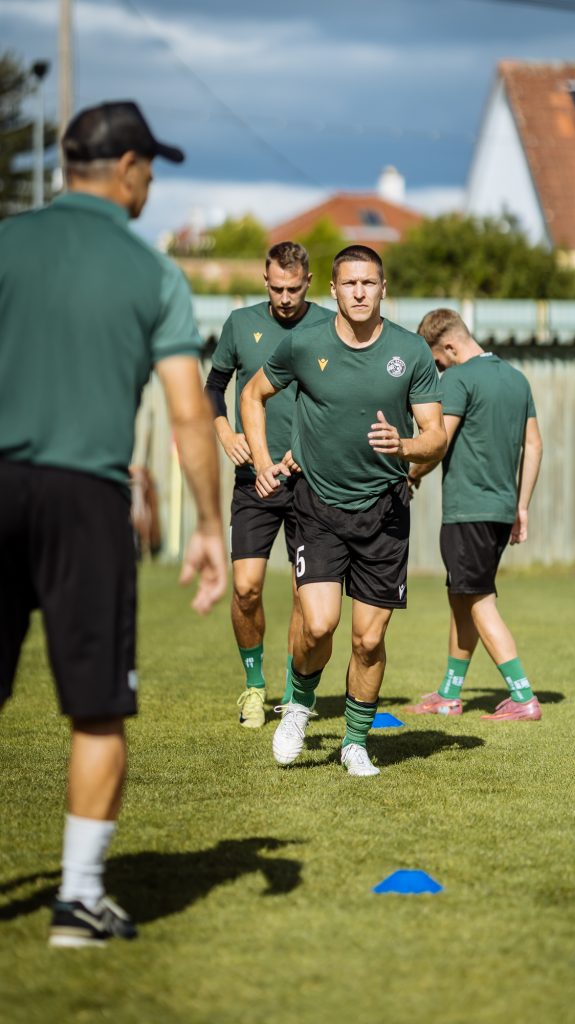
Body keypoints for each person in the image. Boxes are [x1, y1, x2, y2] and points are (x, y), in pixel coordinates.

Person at [0, 101, 227, 947]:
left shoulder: (5, 242)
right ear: (127, 167)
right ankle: (79, 900)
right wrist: (208, 523)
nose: (152, 184)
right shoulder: (152, 273)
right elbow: (189, 414)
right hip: (87, 499)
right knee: (97, 709)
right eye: (151, 169)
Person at [241, 245, 446, 776]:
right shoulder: (304, 343)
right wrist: (261, 460)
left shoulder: (410, 352)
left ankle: (355, 742)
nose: (359, 292)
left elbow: (437, 435)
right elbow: (252, 395)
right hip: (318, 505)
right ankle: (298, 708)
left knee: (369, 640)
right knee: (318, 625)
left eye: (369, 283)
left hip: (385, 511)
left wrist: (404, 446)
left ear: (383, 289)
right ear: (332, 289)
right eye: (349, 283)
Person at [205, 242, 333, 729]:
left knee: (305, 595)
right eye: (276, 288)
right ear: (265, 281)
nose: (284, 298)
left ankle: (293, 696)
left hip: (310, 480)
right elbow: (214, 387)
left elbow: (340, 399)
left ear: (309, 282)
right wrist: (225, 433)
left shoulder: (330, 325)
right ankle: (254, 687)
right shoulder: (240, 323)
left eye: (293, 289)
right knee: (245, 588)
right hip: (252, 480)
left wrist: (310, 446)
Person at [405, 309, 543, 722]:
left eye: (437, 360)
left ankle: (522, 696)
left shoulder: (458, 379)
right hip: (499, 511)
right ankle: (449, 694)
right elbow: (534, 445)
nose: (438, 369)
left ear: (449, 346)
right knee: (462, 598)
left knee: (479, 600)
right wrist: (521, 505)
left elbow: (437, 443)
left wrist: (410, 474)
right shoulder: (517, 379)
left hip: (468, 511)